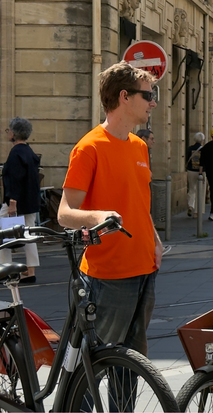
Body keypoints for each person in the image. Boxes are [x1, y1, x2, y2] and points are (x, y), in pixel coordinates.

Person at [57, 61, 162, 357]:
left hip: (145, 269)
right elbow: (64, 213)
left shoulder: (139, 147)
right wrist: (99, 216)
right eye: (147, 95)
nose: (153, 103)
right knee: (90, 368)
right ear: (124, 97)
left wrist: (154, 239)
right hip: (109, 276)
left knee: (132, 368)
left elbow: (139, 202)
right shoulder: (89, 148)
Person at [0, 117, 41, 283]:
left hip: (16, 201)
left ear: (14, 133)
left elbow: (15, 179)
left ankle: (5, 268)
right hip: (30, 201)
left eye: (9, 130)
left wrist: (12, 202)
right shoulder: (29, 152)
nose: (8, 133)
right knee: (29, 234)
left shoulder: (15, 154)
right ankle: (31, 271)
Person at [186, 132, 205, 218]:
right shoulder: (204, 149)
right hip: (201, 172)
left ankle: (190, 205)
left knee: (191, 189)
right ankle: (197, 212)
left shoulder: (190, 148)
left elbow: (186, 159)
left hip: (191, 170)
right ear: (202, 140)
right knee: (200, 191)